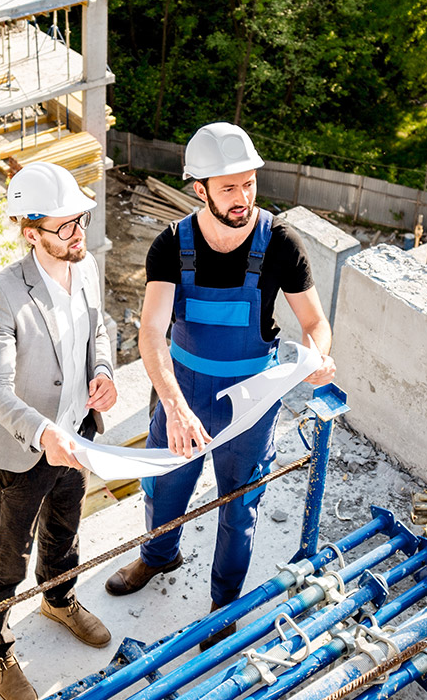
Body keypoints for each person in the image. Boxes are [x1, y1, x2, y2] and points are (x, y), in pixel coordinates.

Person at [104, 122, 336, 650]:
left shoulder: (280, 244)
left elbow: (316, 323)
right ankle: (158, 557)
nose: (242, 197)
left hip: (251, 400)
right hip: (181, 388)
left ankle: (222, 602)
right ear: (199, 188)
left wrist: (320, 354)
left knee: (240, 503)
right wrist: (176, 408)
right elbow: (150, 333)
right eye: (228, 187)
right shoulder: (171, 246)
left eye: (249, 183)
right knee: (165, 486)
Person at [0, 162, 118, 700]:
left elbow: (98, 328)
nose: (79, 234)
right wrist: (43, 434)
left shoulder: (87, 267)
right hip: (24, 451)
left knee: (66, 530)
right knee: (7, 556)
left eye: (80, 220)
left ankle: (57, 600)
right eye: (65, 227)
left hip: (78, 432)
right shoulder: (2, 293)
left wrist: (103, 371)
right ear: (31, 233)